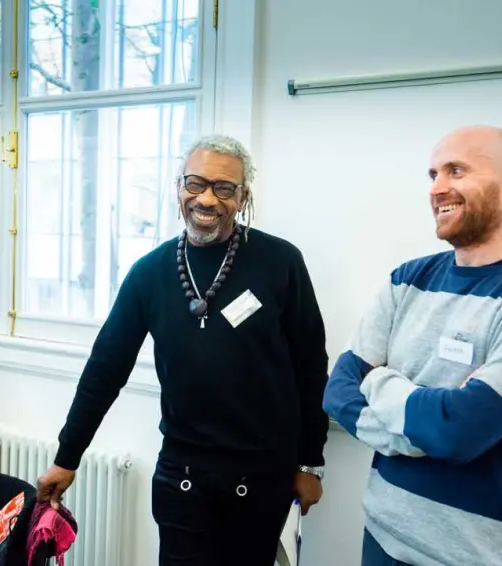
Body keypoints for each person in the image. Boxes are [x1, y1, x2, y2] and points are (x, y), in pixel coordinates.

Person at [37, 134, 330, 565]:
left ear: (242, 197)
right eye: (195, 184)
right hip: (183, 480)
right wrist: (67, 457)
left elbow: (311, 366)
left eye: (224, 188)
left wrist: (310, 463)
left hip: (264, 478)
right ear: (178, 188)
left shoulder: (281, 262)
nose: (207, 199)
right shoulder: (149, 273)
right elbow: (105, 370)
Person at [323, 125, 502, 566]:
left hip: (474, 556)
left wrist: (377, 379)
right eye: (432, 174)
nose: (438, 188)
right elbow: (338, 391)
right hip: (382, 535)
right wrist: (424, 423)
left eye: (456, 170)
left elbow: (458, 432)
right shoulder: (408, 279)